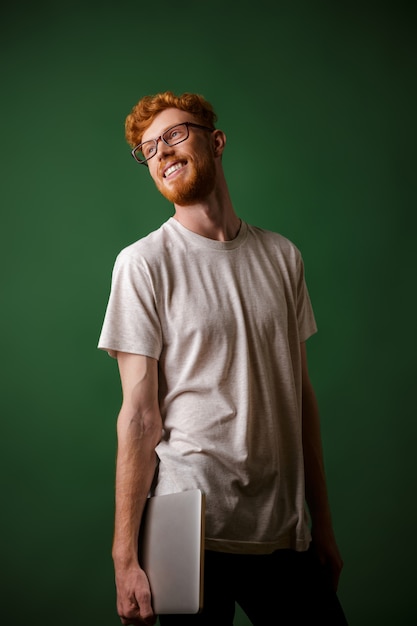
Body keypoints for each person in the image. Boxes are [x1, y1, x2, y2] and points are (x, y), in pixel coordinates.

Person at [98, 90, 348, 625]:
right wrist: (124, 558)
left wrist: (321, 526)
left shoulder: (283, 257)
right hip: (185, 526)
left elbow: (300, 398)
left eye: (174, 135)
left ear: (215, 141)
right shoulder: (143, 264)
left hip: (282, 529)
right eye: (149, 149)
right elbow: (139, 417)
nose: (161, 152)